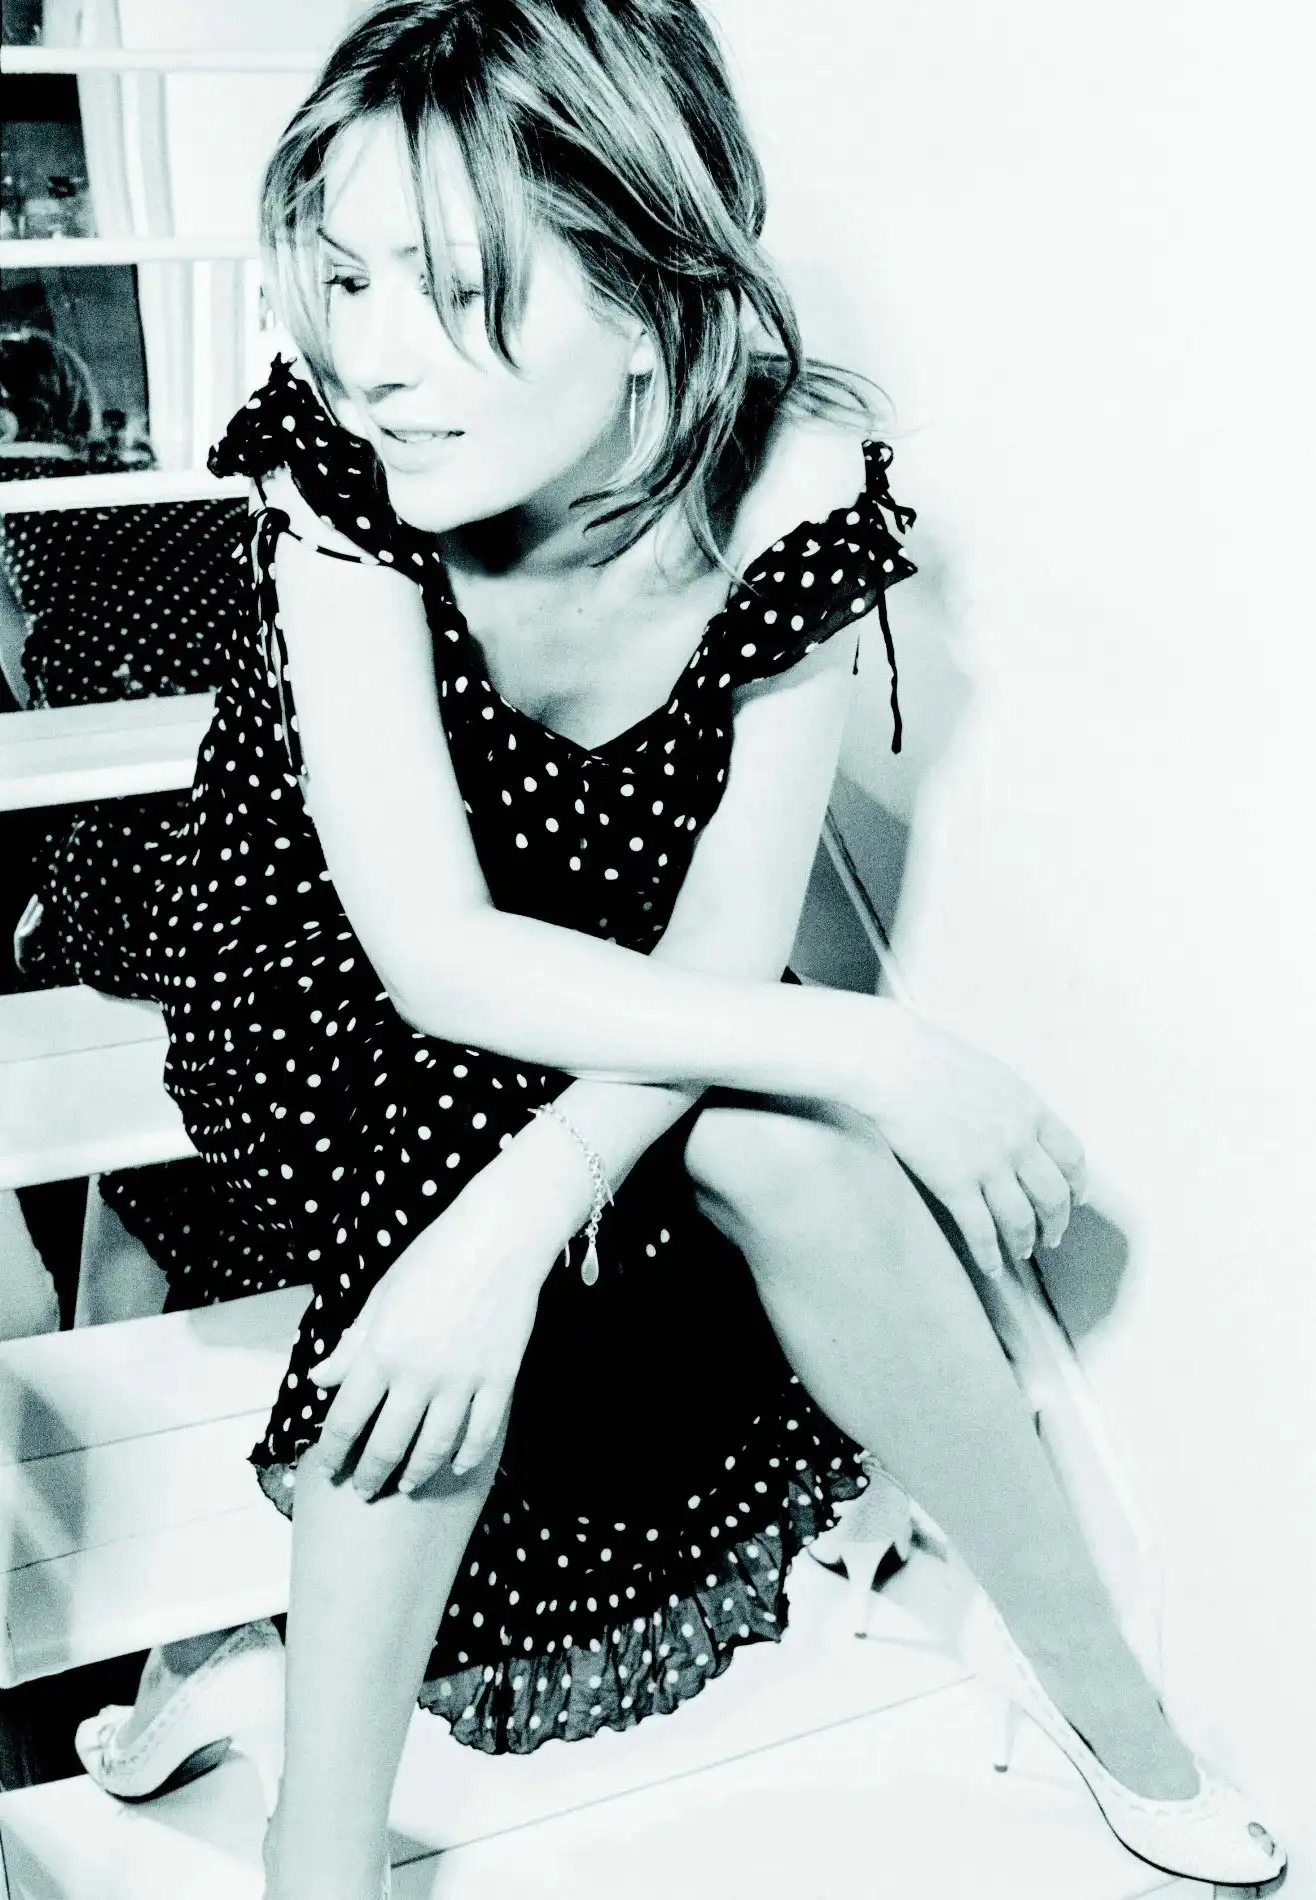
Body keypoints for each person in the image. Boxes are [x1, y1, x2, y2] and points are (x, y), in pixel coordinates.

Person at [66, 4, 1286, 1897]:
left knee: (790, 1158)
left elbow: (727, 934)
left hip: (618, 952)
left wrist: (539, 1206)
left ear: (649, 296)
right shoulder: (341, 473)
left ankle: (1114, 1708)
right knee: (461, 1190)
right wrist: (883, 1051)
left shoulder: (796, 478)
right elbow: (433, 957)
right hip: (331, 953)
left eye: (453, 287)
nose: (372, 356)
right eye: (349, 279)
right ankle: (323, 1861)